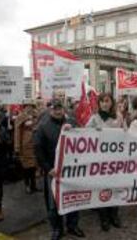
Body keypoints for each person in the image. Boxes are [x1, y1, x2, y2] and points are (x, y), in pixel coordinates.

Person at [33, 100, 85, 240]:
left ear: (64, 109)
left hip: (72, 171)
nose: (58, 111)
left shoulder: (72, 122)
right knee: (53, 203)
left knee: (73, 199)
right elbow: (38, 150)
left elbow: (85, 140)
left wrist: (74, 129)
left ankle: (73, 225)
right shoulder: (43, 127)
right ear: (50, 110)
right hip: (53, 172)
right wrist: (48, 168)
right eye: (55, 109)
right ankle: (57, 229)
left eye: (60, 108)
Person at [86, 93, 124, 231]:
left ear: (111, 102)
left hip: (116, 160)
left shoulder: (119, 117)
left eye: (107, 101)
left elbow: (126, 134)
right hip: (101, 161)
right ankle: (104, 218)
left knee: (116, 188)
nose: (105, 104)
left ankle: (114, 215)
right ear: (99, 103)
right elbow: (82, 134)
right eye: (102, 101)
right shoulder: (95, 118)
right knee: (102, 190)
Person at [14, 102, 39, 194]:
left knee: (33, 166)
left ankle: (34, 185)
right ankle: (27, 185)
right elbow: (17, 132)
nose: (30, 108)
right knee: (26, 167)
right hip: (24, 144)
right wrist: (17, 147)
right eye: (28, 106)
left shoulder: (36, 116)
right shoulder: (20, 117)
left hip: (35, 144)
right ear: (24, 107)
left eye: (31, 106)